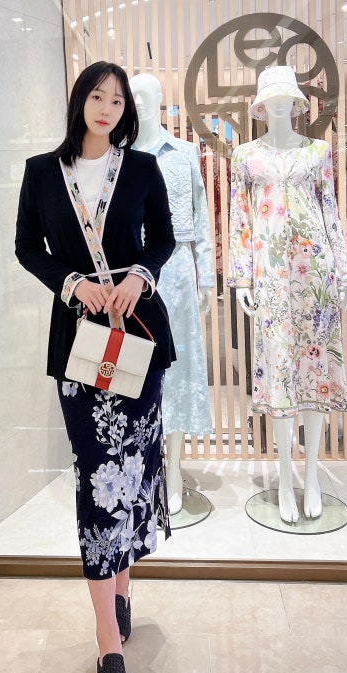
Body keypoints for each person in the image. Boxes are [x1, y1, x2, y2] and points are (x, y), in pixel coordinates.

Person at [15, 61, 176, 673]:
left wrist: (139, 275)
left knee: (132, 470)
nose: (107, 107)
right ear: (79, 101)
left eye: (117, 99)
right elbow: (27, 247)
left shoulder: (140, 168)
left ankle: (122, 588)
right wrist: (72, 284)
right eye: (97, 96)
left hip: (136, 339)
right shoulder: (41, 171)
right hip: (81, 347)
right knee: (96, 478)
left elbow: (164, 237)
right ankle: (109, 644)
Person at [228, 65, 347, 524]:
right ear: (262, 104)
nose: (280, 103)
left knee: (315, 373)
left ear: (296, 101)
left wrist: (343, 273)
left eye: (287, 96)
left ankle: (312, 474)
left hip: (315, 275)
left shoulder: (318, 151)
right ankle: (284, 476)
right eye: (272, 96)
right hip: (271, 277)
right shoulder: (244, 156)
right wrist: (242, 278)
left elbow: (330, 211)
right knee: (281, 371)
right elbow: (240, 219)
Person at [129, 73, 215, 515]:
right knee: (135, 369)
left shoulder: (183, 152)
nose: (140, 103)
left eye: (148, 95)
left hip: (177, 270)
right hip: (130, 274)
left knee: (176, 370)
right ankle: (144, 468)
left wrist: (207, 279)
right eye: (134, 96)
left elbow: (201, 218)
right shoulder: (118, 154)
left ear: (162, 101)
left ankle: (175, 469)